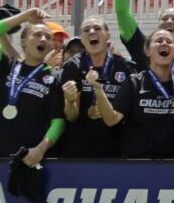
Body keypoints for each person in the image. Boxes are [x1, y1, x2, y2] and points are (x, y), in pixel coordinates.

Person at [0, 8, 65, 163]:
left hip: (30, 159)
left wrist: (40, 149)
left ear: (51, 45)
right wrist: (26, 16)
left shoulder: (55, 77)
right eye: (37, 35)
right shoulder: (6, 66)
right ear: (24, 40)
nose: (43, 39)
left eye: (48, 37)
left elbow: (58, 121)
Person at [100, 26, 174, 159]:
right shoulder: (134, 83)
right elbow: (111, 120)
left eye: (169, 42)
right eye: (159, 41)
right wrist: (97, 88)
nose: (164, 43)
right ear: (147, 51)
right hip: (137, 164)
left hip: (172, 166)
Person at [58, 17, 135, 159]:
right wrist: (69, 100)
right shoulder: (72, 66)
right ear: (82, 39)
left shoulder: (125, 67)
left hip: (117, 150)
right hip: (80, 151)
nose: (91, 32)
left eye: (97, 28)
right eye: (86, 30)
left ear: (107, 35)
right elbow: (71, 116)